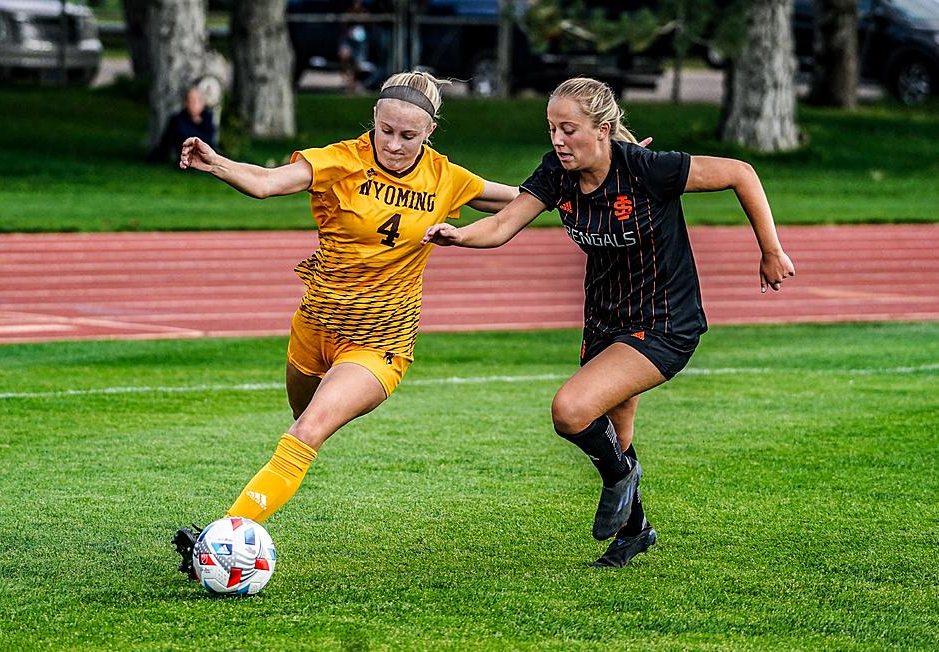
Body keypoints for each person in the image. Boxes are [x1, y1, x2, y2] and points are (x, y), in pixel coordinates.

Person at [422, 77, 796, 568]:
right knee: (617, 436)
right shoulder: (557, 173)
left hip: (665, 323)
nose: (558, 140)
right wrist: (458, 236)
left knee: (571, 411)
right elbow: (501, 224)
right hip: (604, 321)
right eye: (552, 128)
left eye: (569, 129)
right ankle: (635, 531)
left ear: (602, 129)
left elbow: (741, 173)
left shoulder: (645, 168)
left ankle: (622, 481)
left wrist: (770, 250)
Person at [170, 71, 517, 579]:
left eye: (409, 135)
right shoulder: (342, 159)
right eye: (385, 131)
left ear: (430, 131)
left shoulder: (447, 179)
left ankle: (222, 538)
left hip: (382, 342)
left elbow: (521, 199)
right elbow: (268, 182)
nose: (394, 145)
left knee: (307, 430)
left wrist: (600, 178)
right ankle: (231, 533)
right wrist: (216, 163)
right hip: (314, 328)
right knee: (300, 421)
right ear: (373, 121)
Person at [149, 85, 217, 164]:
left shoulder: (207, 117)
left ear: (202, 103)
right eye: (189, 101)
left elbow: (210, 140)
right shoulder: (178, 119)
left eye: (196, 101)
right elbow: (166, 144)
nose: (192, 104)